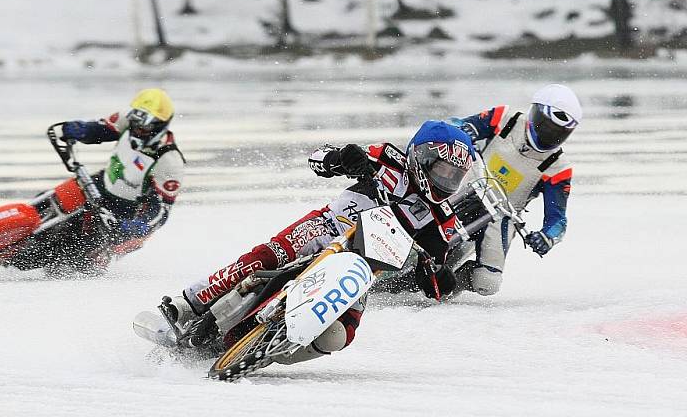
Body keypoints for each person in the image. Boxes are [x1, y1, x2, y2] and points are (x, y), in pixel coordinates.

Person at [156, 121, 474, 364]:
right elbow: (318, 158)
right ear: (421, 155)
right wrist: (343, 158)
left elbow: (433, 279)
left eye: (454, 175)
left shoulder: (441, 219)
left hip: (362, 269)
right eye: (443, 169)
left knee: (340, 335)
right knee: (266, 257)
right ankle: (190, 303)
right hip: (327, 226)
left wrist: (439, 276)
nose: (446, 181)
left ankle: (272, 350)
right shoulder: (388, 158)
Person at [441, 84, 581, 297]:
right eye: (547, 127)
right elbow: (453, 125)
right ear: (535, 113)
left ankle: (450, 284)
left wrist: (546, 238)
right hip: (464, 185)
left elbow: (558, 221)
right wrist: (464, 130)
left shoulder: (559, 168)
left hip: (500, 216)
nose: (550, 135)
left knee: (487, 282)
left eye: (559, 132)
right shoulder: (505, 117)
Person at [58, 88, 185, 267]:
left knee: (76, 261)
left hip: (124, 216)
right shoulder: (128, 119)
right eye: (135, 123)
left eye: (145, 126)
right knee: (52, 202)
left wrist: (139, 225)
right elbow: (102, 130)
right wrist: (82, 130)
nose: (137, 130)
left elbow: (162, 210)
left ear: (159, 125)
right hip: (99, 185)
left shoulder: (170, 161)